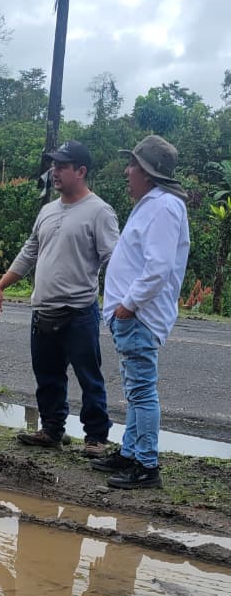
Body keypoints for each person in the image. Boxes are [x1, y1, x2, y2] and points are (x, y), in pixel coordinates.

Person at [0, 140, 120, 457]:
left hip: (79, 312)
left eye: (62, 166)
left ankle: (96, 438)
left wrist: (121, 303)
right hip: (42, 310)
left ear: (81, 171)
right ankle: (51, 431)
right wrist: (1, 286)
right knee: (47, 376)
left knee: (89, 378)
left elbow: (114, 260)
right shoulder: (47, 210)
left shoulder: (99, 212)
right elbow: (29, 252)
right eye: (53, 165)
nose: (55, 171)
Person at [94, 135, 190, 490]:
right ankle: (130, 452)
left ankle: (147, 465)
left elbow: (158, 268)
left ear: (148, 172)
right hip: (132, 316)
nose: (127, 171)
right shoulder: (153, 204)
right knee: (135, 390)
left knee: (142, 391)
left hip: (139, 317)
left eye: (132, 165)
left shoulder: (164, 206)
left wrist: (127, 306)